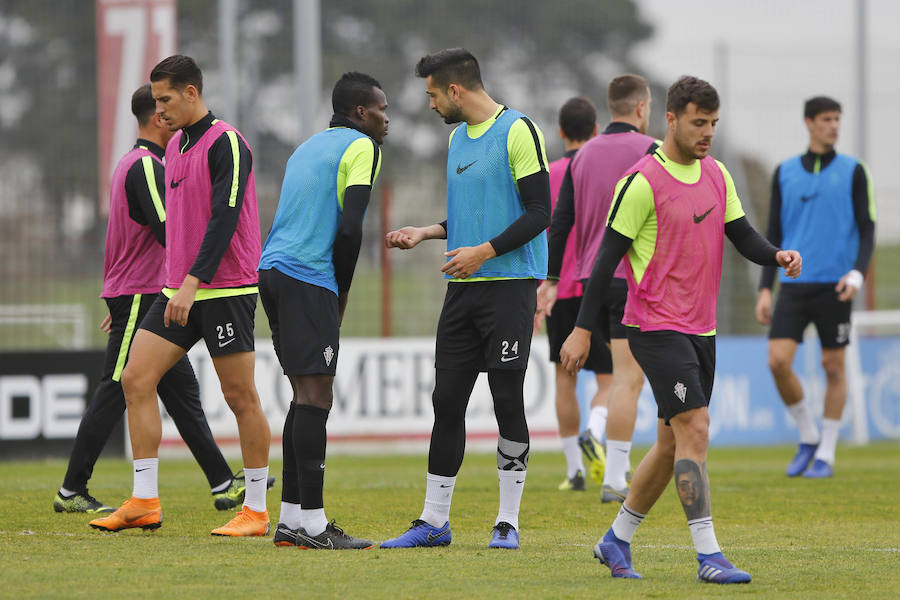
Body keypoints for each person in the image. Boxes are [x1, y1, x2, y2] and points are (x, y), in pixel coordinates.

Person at [560, 76, 802, 584]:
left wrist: (775, 255)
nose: (708, 132)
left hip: (702, 328)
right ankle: (709, 555)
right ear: (669, 119)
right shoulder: (642, 181)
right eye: (698, 122)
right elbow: (604, 263)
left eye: (714, 123)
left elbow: (743, 235)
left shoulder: (716, 174)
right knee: (696, 429)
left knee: (672, 443)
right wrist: (582, 330)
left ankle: (616, 539)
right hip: (654, 324)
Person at [54, 84, 268, 515]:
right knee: (125, 383)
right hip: (151, 291)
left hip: (180, 289)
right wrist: (136, 293)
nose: (164, 110)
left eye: (167, 99)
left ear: (187, 94)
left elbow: (203, 223)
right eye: (159, 104)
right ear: (154, 115)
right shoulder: (148, 165)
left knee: (207, 395)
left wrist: (174, 282)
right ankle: (85, 489)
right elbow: (168, 230)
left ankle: (232, 487)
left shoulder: (192, 149)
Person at [381, 48, 550, 550]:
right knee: (446, 401)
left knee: (506, 401)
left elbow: (539, 212)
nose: (429, 104)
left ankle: (507, 522)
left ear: (455, 90)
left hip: (510, 288)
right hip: (463, 290)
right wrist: (428, 231)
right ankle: (434, 522)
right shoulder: (456, 139)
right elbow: (476, 217)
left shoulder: (519, 131)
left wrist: (484, 253)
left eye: (432, 94)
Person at [260, 72, 389, 550]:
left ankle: (292, 521)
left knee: (302, 395)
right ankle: (314, 526)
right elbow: (352, 228)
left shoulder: (307, 147)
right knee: (317, 397)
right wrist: (342, 291)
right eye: (381, 109)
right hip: (307, 277)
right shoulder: (363, 148)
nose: (386, 118)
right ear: (360, 113)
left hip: (271, 272)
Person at [539, 75, 659, 502]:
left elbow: (561, 223)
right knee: (625, 380)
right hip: (633, 281)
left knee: (568, 378)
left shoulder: (581, 157)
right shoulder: (652, 152)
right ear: (641, 109)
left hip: (588, 282)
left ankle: (579, 468)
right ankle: (613, 478)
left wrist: (551, 280)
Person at [755, 96, 876, 479]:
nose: (834, 126)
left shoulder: (855, 171)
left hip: (835, 285)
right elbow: (773, 231)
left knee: (833, 366)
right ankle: (807, 434)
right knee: (777, 361)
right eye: (826, 119)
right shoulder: (785, 172)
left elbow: (868, 227)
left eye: (837, 119)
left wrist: (857, 273)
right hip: (793, 283)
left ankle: (826, 452)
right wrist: (764, 288)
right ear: (809, 122)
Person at [532, 96, 607, 492]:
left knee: (565, 379)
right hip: (598, 283)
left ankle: (574, 470)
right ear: (596, 131)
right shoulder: (600, 169)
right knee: (612, 378)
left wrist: (540, 289)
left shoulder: (548, 174)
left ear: (561, 132)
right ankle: (595, 430)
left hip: (557, 287)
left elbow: (540, 229)